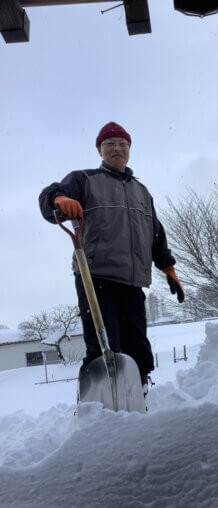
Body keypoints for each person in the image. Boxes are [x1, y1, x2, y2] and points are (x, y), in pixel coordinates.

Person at [39, 122, 184, 397]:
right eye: (110, 144)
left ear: (130, 150)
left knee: (138, 348)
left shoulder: (142, 192)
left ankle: (139, 397)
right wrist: (58, 199)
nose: (117, 148)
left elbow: (155, 232)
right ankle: (98, 408)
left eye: (123, 144)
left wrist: (168, 266)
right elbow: (49, 195)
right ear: (100, 149)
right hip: (96, 277)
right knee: (105, 347)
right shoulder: (84, 179)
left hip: (133, 281)